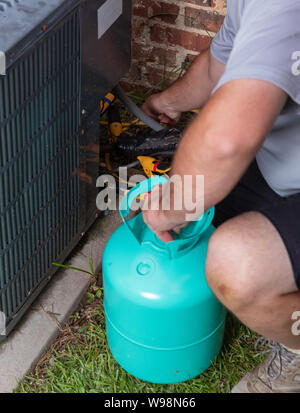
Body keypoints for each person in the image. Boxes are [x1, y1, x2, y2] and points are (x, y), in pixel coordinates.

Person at [141, 0, 300, 393]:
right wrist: (167, 103)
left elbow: (228, 141)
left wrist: (171, 206)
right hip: (282, 164)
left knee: (238, 266)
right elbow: (218, 62)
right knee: (208, 206)